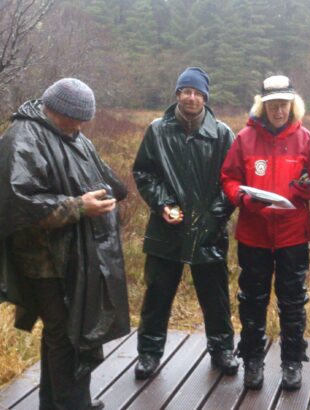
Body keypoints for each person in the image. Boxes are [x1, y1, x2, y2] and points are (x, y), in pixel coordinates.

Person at [0, 78, 130, 410]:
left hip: (73, 254)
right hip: (44, 260)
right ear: (53, 109)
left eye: (83, 120)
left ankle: (58, 403)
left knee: (61, 334)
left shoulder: (71, 134)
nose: (78, 126)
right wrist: (79, 206)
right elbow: (23, 204)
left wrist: (107, 196)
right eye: (73, 119)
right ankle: (71, 405)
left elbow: (94, 175)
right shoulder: (23, 138)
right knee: (66, 335)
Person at [220, 75, 310, 391]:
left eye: (283, 104)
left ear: (292, 105)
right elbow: (228, 178)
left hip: (293, 235)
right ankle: (252, 361)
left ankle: (292, 362)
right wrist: (242, 198)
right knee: (252, 300)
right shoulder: (244, 138)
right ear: (263, 106)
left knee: (293, 301)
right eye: (272, 105)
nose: (278, 110)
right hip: (253, 235)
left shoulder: (305, 139)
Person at [132, 67, 238, 379]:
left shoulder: (222, 134)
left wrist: (215, 216)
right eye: (186, 91)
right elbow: (143, 172)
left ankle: (222, 350)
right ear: (178, 94)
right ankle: (149, 354)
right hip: (167, 230)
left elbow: (232, 182)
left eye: (197, 92)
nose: (191, 97)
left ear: (205, 97)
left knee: (215, 295)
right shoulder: (157, 130)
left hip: (209, 232)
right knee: (157, 295)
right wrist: (163, 203)